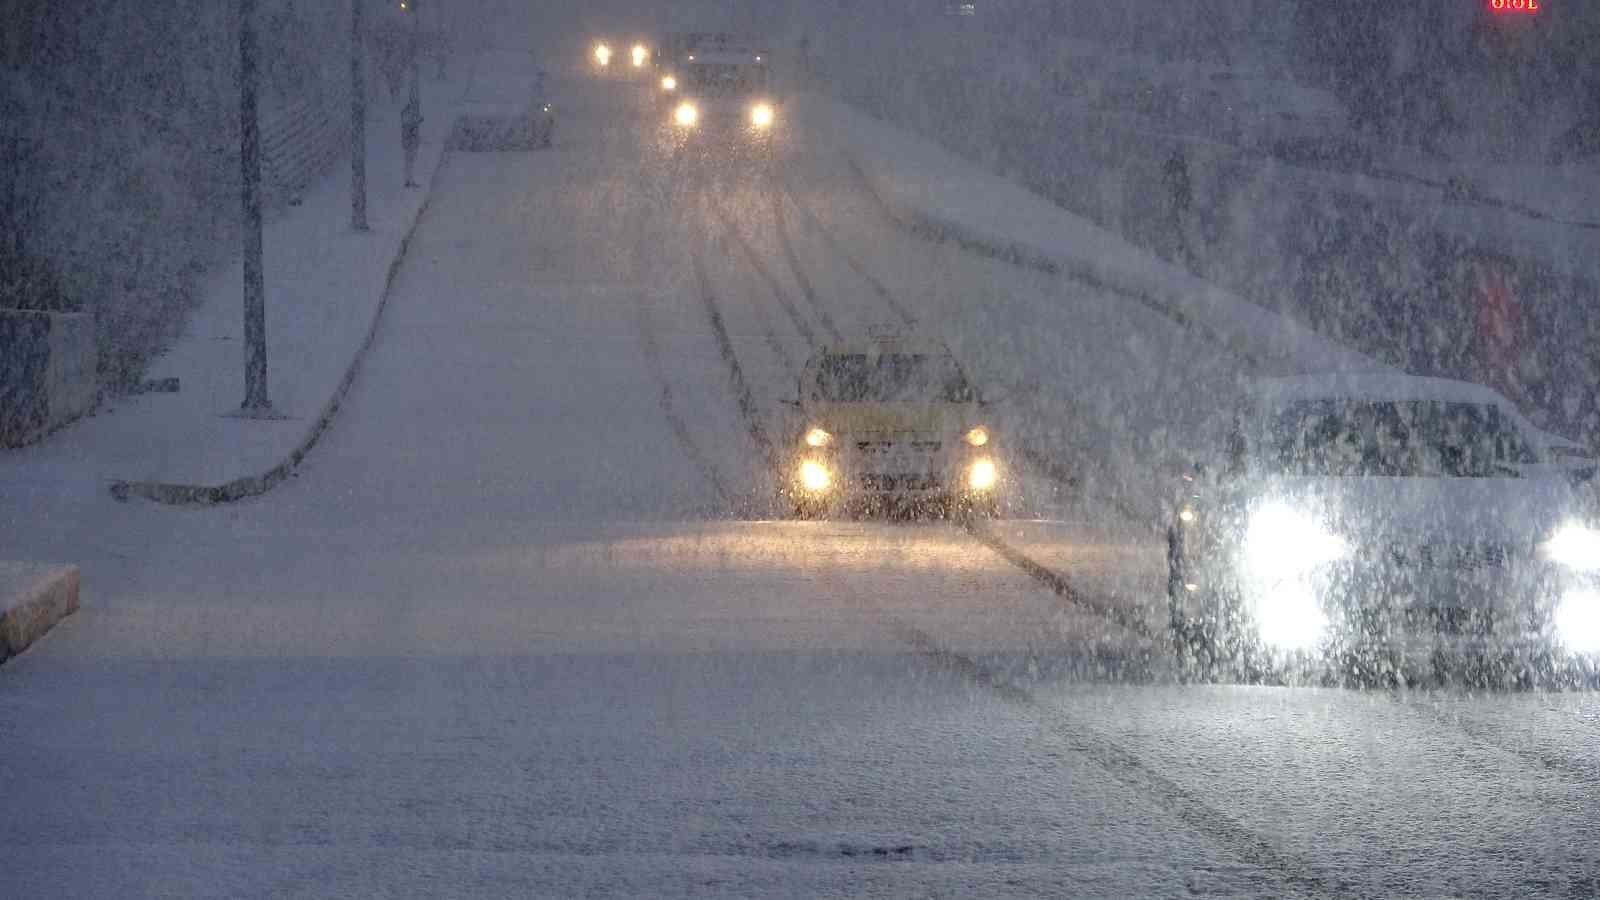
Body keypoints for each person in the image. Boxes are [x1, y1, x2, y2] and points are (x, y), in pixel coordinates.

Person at [401, 90, 423, 188]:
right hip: (410, 142)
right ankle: (408, 181)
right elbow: (409, 126)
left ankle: (409, 180)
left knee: (410, 162)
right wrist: (416, 122)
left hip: (410, 141)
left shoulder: (407, 112)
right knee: (409, 162)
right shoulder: (407, 113)